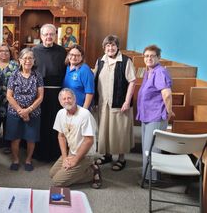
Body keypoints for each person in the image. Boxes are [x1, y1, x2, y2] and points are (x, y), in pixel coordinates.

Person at [94, 35, 136, 171]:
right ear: (104, 47)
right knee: (105, 130)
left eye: (113, 45)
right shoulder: (100, 61)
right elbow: (95, 80)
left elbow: (132, 81)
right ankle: (107, 155)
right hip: (103, 102)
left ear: (117, 47)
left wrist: (127, 101)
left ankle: (121, 159)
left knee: (119, 131)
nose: (110, 48)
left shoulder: (125, 61)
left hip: (120, 102)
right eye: (107, 46)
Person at [137, 45, 174, 183]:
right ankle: (149, 176)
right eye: (146, 56)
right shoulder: (149, 71)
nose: (149, 58)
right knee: (147, 147)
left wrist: (169, 112)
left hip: (156, 115)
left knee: (152, 149)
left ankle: (151, 180)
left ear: (159, 57)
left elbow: (167, 94)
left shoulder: (160, 72)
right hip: (148, 114)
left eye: (152, 56)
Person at [49, 88, 101, 188]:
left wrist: (75, 160)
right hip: (71, 152)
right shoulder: (60, 113)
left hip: (86, 154)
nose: (67, 101)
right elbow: (61, 136)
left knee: (57, 182)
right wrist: (65, 158)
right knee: (52, 174)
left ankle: (92, 172)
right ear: (60, 102)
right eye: (63, 99)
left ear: (74, 99)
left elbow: (89, 141)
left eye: (69, 98)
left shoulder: (84, 114)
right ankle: (85, 169)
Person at [33, 23, 66, 162]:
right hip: (38, 91)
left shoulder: (62, 51)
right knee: (40, 121)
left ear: (55, 35)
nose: (48, 37)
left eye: (51, 34)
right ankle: (38, 152)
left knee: (54, 122)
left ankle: (54, 151)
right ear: (41, 36)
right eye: (46, 34)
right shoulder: (34, 51)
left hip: (56, 92)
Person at [6, 48, 44, 171]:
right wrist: (20, 111)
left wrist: (28, 110)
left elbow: (40, 96)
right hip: (14, 112)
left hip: (33, 112)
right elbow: (9, 96)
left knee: (31, 138)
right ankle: (16, 159)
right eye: (25, 58)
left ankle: (28, 160)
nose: (28, 61)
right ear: (20, 60)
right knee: (15, 137)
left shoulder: (37, 75)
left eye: (30, 58)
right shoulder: (14, 75)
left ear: (34, 60)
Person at [0, 43, 18, 153]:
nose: (4, 53)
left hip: (10, 98)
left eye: (6, 51)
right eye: (1, 51)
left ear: (10, 53)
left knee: (8, 122)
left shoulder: (15, 65)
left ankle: (7, 144)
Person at [63, 45, 94, 109]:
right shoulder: (66, 68)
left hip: (80, 108)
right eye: (71, 54)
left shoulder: (85, 70)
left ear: (82, 57)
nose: (74, 57)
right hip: (67, 107)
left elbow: (89, 92)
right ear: (68, 55)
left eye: (77, 55)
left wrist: (84, 110)